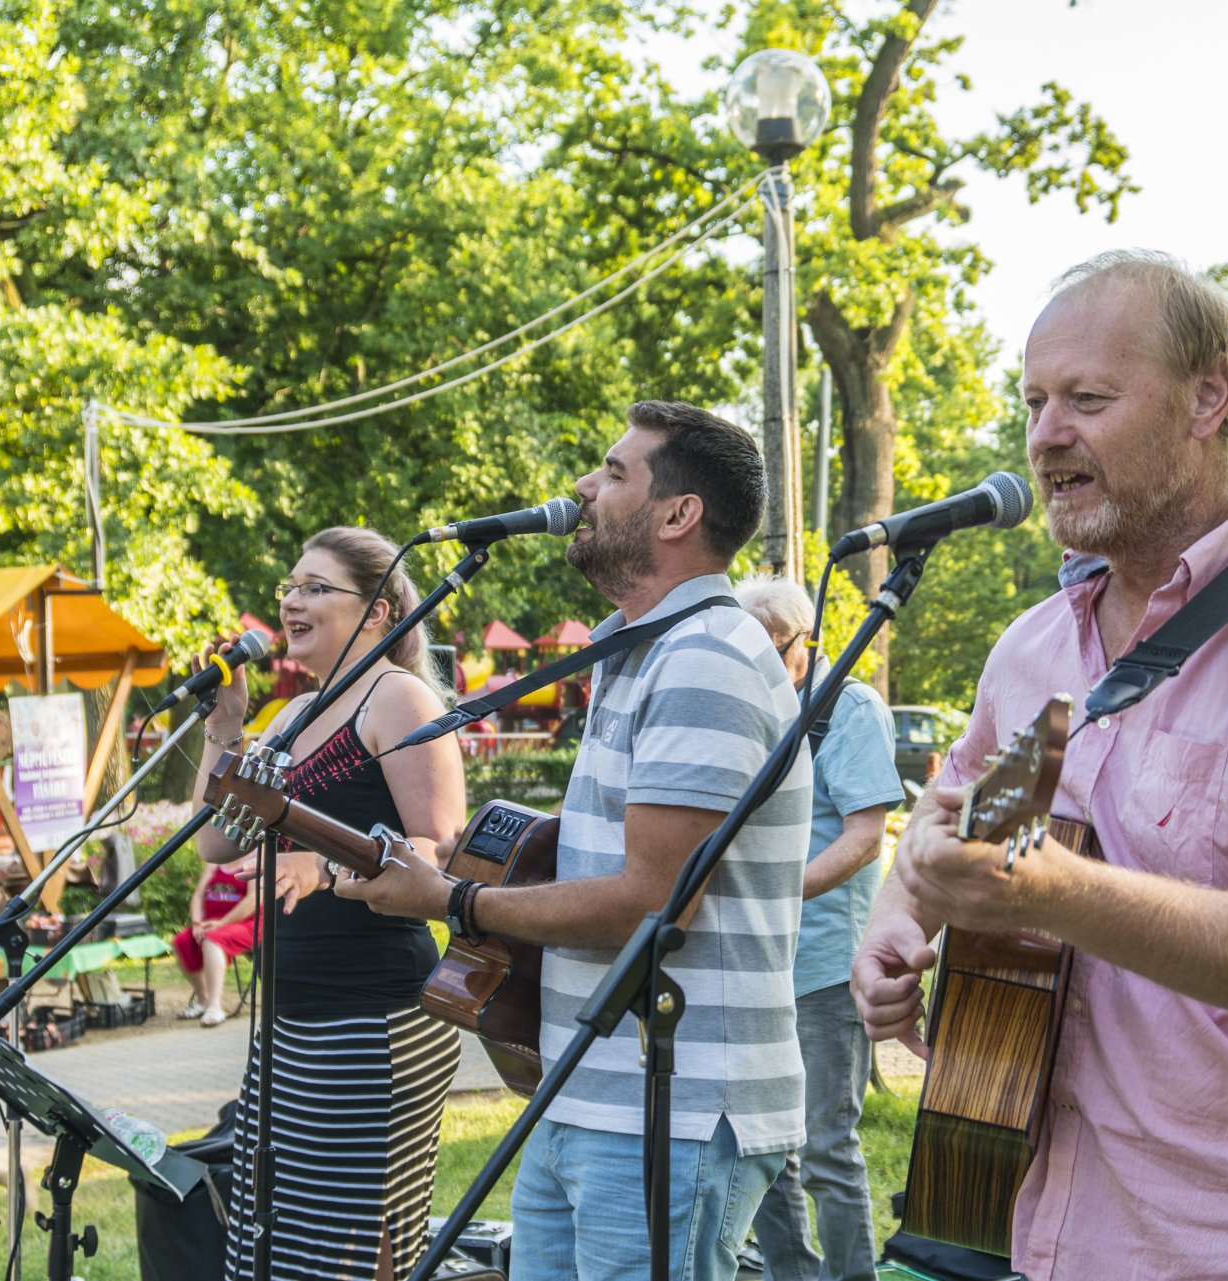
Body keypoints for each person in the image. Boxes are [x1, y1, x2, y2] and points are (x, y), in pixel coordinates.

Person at [851, 251, 1228, 1280]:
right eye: (1035, 402)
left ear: (1207, 397)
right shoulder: (1031, 650)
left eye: (1087, 399)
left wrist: (1052, 889)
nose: (1046, 434)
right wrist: (898, 925)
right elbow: (953, 830)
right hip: (1056, 1236)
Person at [337, 402, 812, 1281]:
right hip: (586, 1094)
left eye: (615, 472)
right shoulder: (643, 649)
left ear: (679, 514)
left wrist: (453, 899)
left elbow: (651, 901)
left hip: (673, 1108)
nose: (585, 487)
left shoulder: (704, 656)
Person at [192, 525, 467, 1281]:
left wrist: (323, 861)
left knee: (356, 1241)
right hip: (288, 1020)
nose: (292, 601)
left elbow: (441, 848)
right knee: (280, 1240)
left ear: (377, 611)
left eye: (316, 587)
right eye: (290, 586)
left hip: (372, 1020)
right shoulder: (289, 717)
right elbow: (215, 840)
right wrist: (225, 724)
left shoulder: (397, 697)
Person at [736, 576, 903, 1281]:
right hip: (756, 960)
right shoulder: (754, 704)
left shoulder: (850, 707)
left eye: (770, 651)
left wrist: (773, 892)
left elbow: (865, 838)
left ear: (802, 641)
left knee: (826, 1146)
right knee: (760, 1144)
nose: (756, 666)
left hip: (827, 963)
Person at [171, 861, 258, 1028]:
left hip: (245, 923)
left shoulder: (254, 860)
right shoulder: (215, 862)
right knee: (181, 941)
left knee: (211, 940)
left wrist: (222, 923)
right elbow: (198, 895)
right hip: (211, 922)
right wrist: (196, 923)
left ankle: (214, 1007)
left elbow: (252, 900)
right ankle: (202, 998)